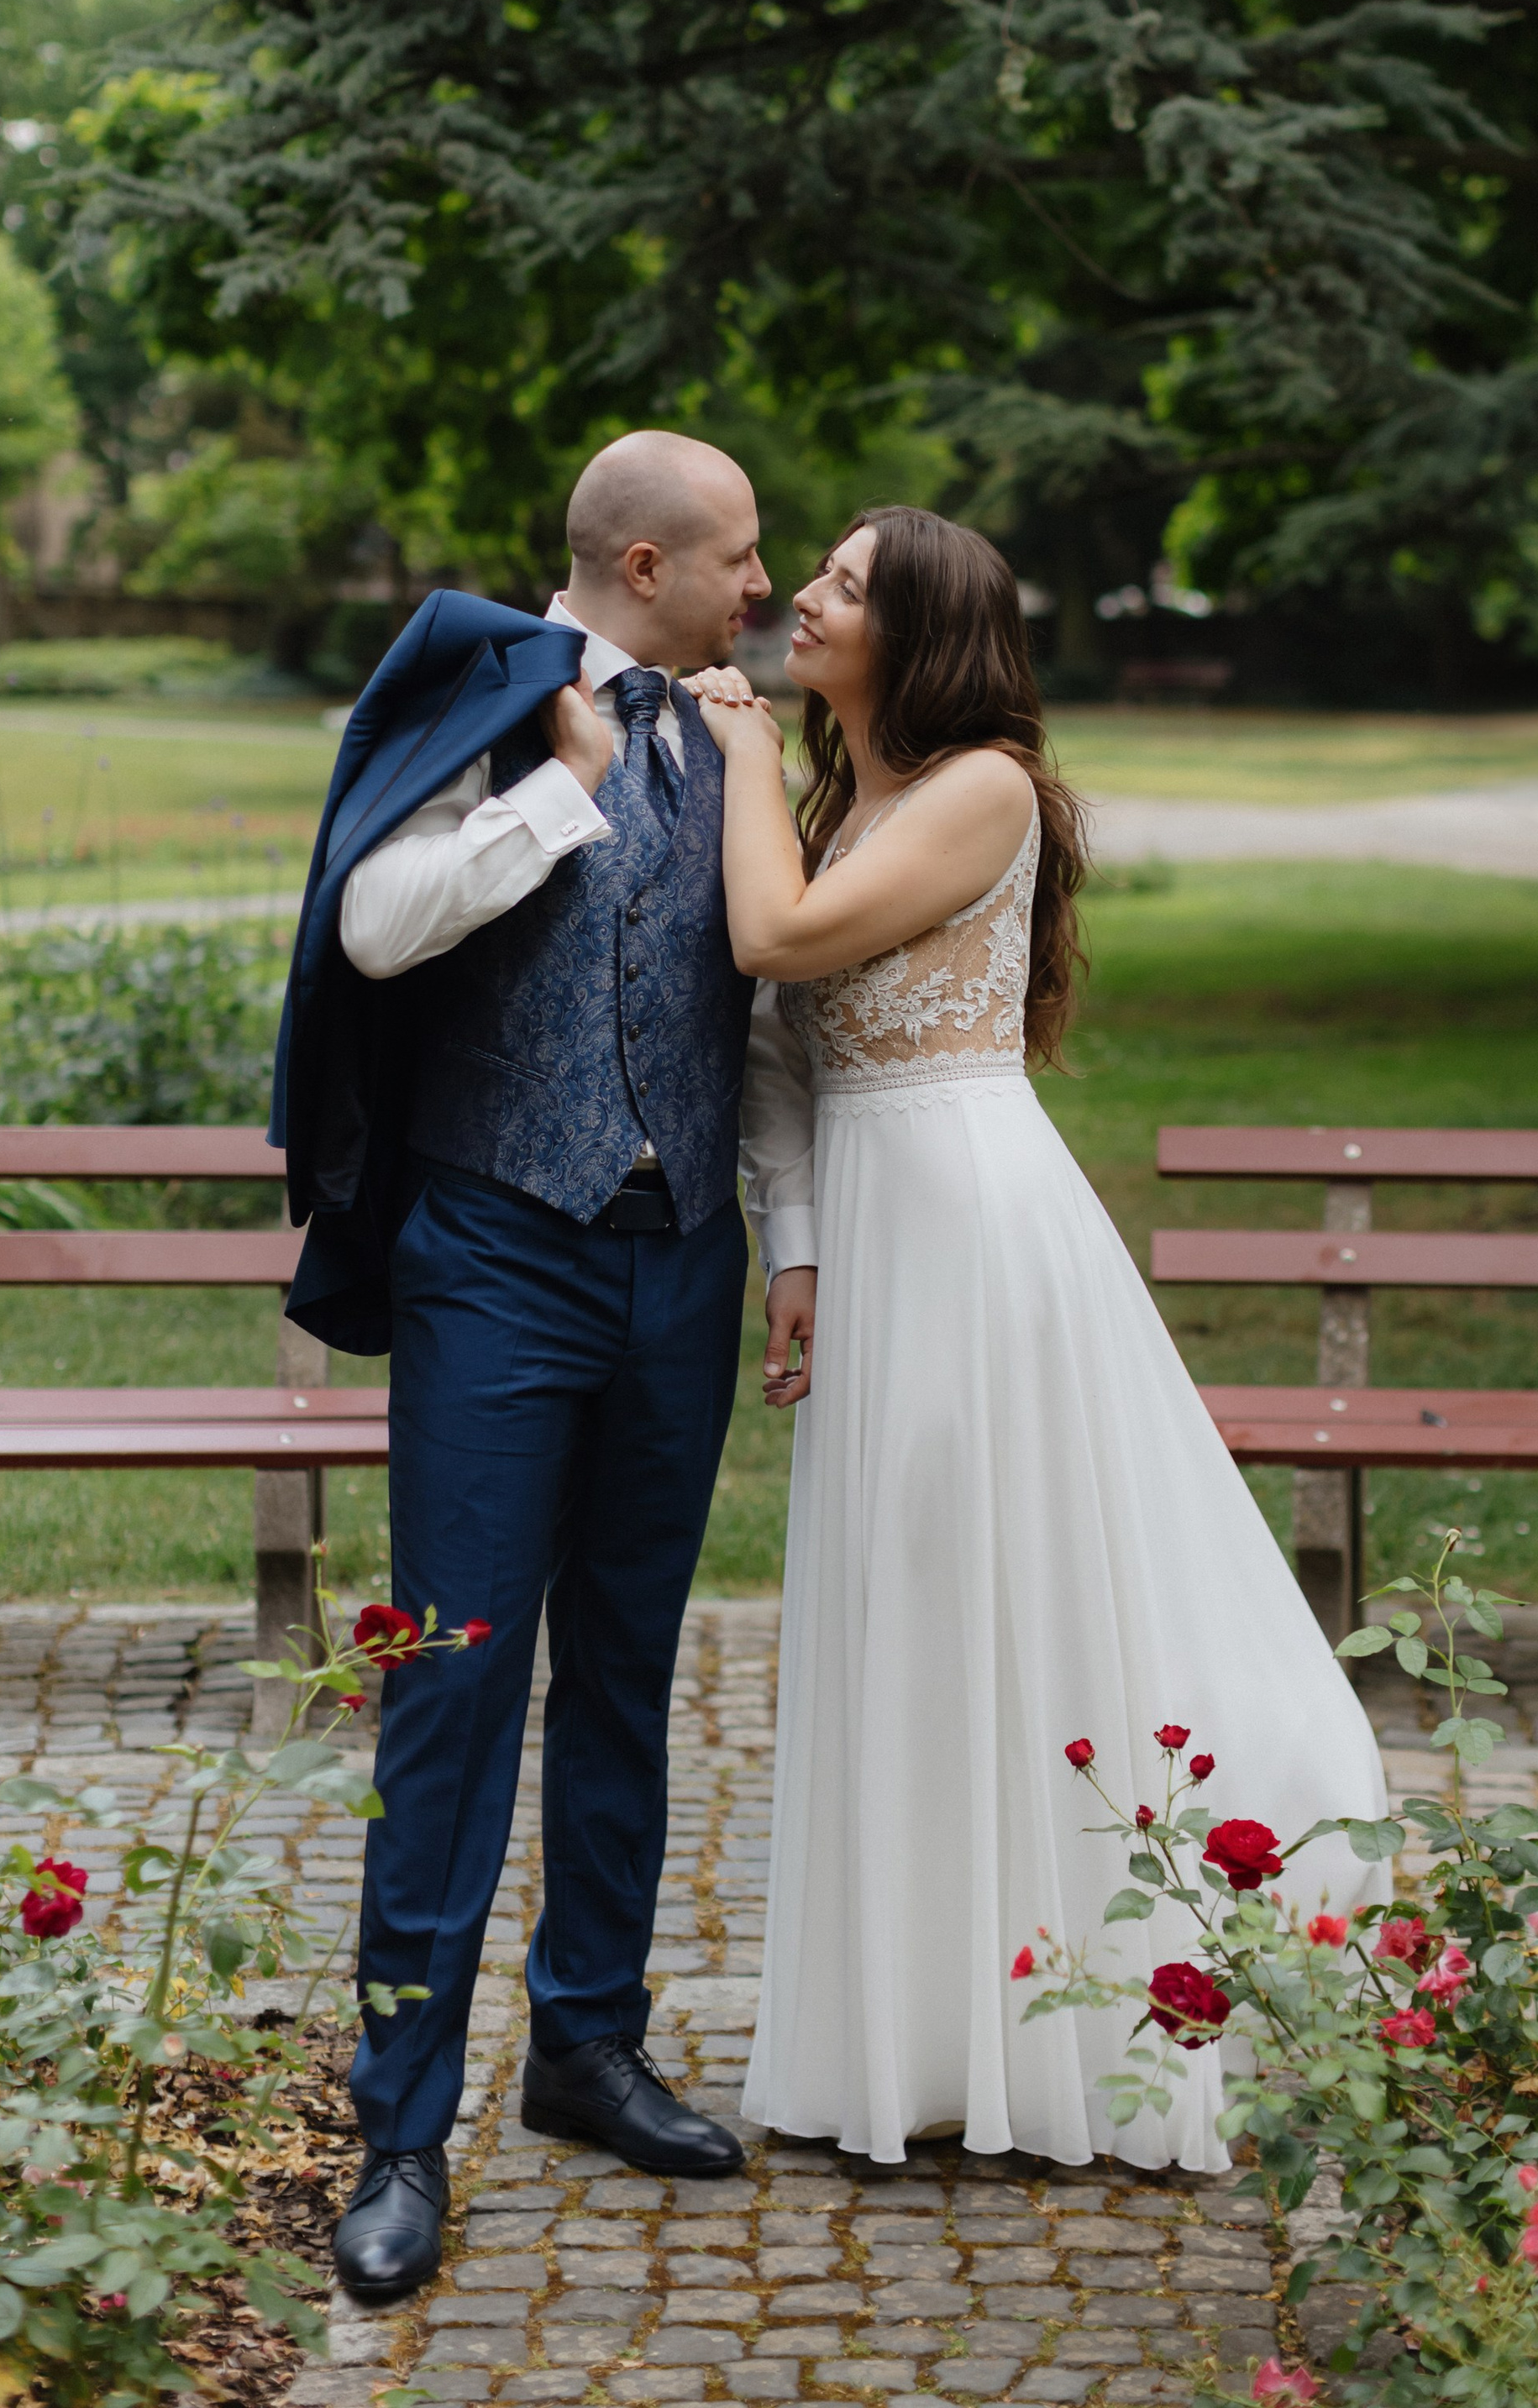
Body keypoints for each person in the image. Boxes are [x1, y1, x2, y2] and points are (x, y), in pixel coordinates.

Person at [687, 506, 1388, 2169]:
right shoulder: (838, 795)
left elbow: (771, 942)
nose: (805, 594)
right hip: (868, 1220)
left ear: (919, 632)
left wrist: (725, 747)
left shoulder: (980, 785)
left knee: (1005, 1592)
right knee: (905, 1608)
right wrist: (789, 1249)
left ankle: (1070, 2031)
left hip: (970, 1224)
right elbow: (783, 1053)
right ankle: (920, 2031)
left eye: (847, 584)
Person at [314, 433, 820, 2299]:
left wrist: (792, 1236)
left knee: (628, 1665)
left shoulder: (722, 736)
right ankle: (397, 2129)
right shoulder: (494, 698)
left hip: (675, 1263)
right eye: (738, 557)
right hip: (498, 1260)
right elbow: (372, 927)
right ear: (638, 560)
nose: (758, 587)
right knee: (454, 1682)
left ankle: (585, 2047)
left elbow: (753, 1014)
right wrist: (560, 797)